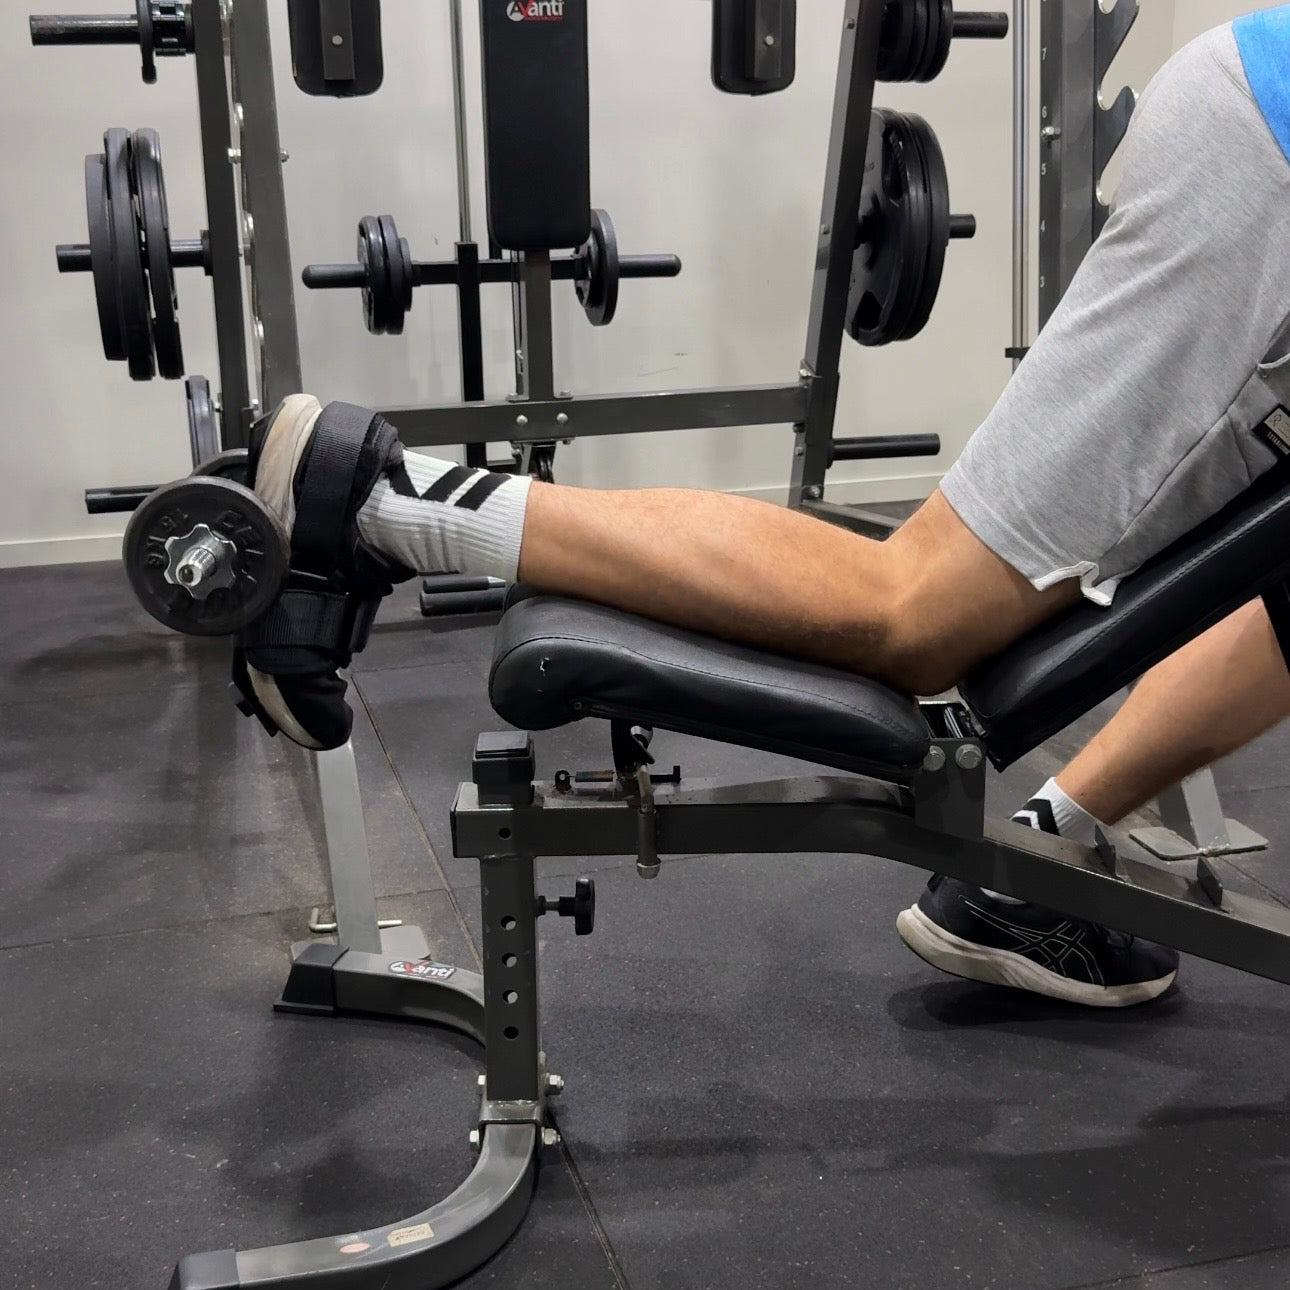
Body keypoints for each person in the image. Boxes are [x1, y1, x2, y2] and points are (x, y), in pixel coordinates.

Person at [234, 10, 1290, 1011]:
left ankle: (1040, 858)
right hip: (1268, 157)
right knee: (917, 614)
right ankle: (378, 497)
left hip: (1258, 129)